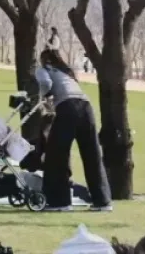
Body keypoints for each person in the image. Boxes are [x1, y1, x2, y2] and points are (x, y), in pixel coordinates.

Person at [35, 49, 112, 212]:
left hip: (67, 108)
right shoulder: (66, 72)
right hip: (86, 108)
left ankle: (59, 201)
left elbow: (46, 84)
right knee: (92, 154)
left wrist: (42, 97)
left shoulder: (43, 70)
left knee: (57, 155)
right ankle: (103, 201)